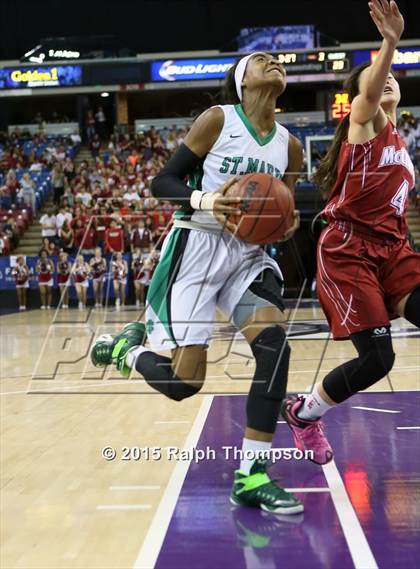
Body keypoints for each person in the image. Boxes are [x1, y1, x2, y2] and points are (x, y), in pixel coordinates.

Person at [91, 51, 304, 514]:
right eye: (262, 59)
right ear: (242, 80)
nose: (275, 63)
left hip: (247, 256)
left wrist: (286, 225)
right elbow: (161, 182)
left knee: (275, 348)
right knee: (185, 383)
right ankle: (128, 351)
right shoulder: (218, 120)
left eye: (278, 60)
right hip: (197, 247)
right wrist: (207, 200)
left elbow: (281, 205)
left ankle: (252, 475)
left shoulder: (290, 145)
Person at [282, 0, 420, 464]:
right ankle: (304, 412)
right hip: (348, 250)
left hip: (392, 248)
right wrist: (390, 42)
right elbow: (369, 95)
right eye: (378, 79)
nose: (387, 83)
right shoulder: (363, 126)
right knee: (379, 361)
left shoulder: (400, 144)